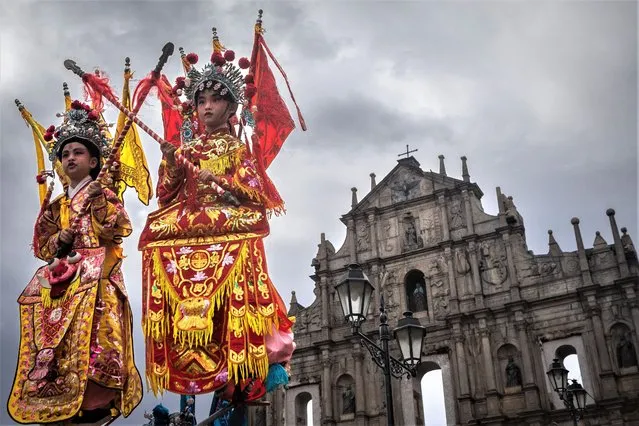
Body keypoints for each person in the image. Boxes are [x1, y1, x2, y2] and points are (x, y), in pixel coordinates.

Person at [138, 24, 295, 404]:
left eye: (214, 99)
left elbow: (258, 201)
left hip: (228, 219)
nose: (206, 106)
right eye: (200, 101)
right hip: (189, 223)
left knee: (249, 226)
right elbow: (164, 196)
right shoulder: (186, 148)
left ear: (231, 106)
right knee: (155, 225)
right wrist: (173, 164)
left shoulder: (238, 150)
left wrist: (222, 183)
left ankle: (239, 358)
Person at [8, 99, 143, 424]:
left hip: (96, 282)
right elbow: (43, 246)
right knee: (57, 349)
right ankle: (57, 401)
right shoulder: (56, 206)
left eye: (77, 153)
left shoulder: (102, 194)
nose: (70, 158)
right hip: (63, 284)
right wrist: (59, 241)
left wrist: (98, 202)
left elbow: (120, 228)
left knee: (98, 345)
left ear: (94, 161)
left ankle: (93, 402)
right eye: (65, 154)